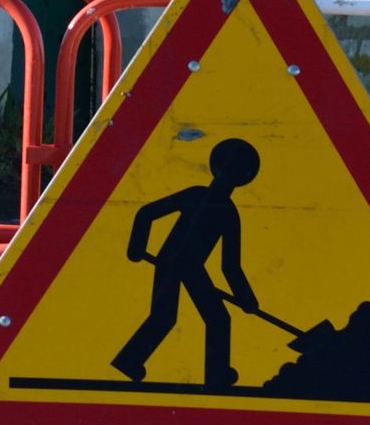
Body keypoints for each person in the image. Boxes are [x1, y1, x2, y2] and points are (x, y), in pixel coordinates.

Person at [110, 137, 261, 390]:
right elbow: (147, 213)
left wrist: (246, 298)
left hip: (182, 264)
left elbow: (230, 266)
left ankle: (132, 361)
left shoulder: (212, 203)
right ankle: (214, 375)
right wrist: (135, 247)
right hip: (176, 263)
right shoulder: (218, 207)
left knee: (183, 318)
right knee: (184, 318)